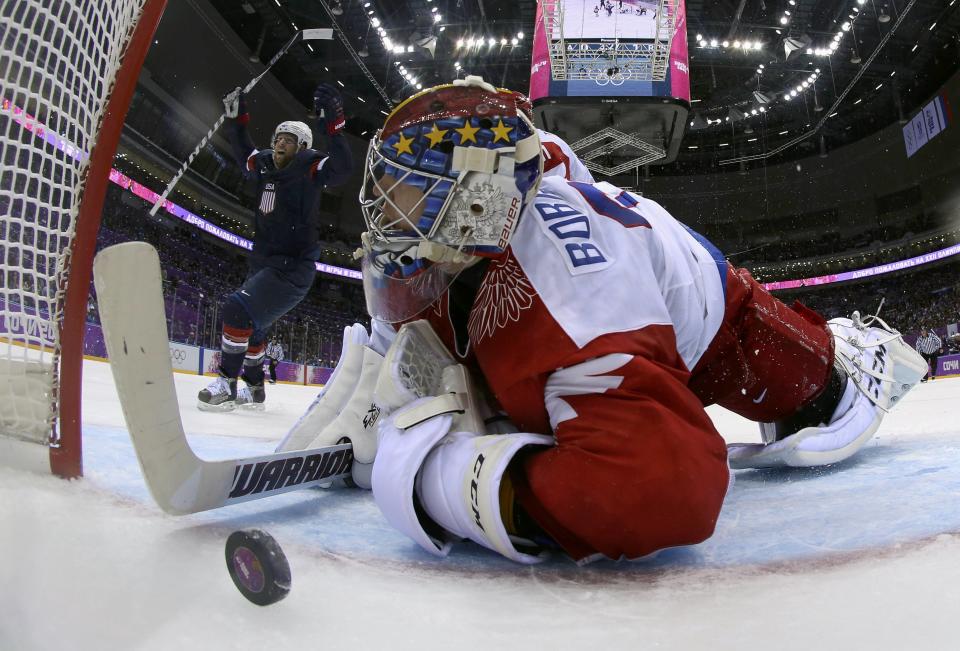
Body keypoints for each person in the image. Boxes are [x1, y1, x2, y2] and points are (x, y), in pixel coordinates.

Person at [293, 77, 927, 565]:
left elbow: (662, 491)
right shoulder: (489, 212)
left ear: (475, 202)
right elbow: (543, 151)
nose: (380, 209)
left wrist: (436, 476)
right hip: (610, 272)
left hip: (717, 327)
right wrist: (377, 375)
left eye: (403, 191)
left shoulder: (568, 288)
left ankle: (851, 352)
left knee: (817, 400)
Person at [197, 83, 353, 411]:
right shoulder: (266, 164)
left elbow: (342, 169)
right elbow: (243, 151)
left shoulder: (310, 166)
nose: (281, 142)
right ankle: (254, 389)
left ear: (304, 146)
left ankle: (226, 382)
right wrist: (237, 119)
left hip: (292, 269)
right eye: (279, 138)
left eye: (289, 140)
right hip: (265, 263)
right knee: (254, 328)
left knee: (237, 310)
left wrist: (334, 126)